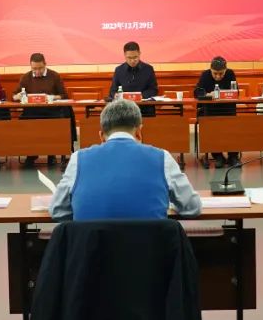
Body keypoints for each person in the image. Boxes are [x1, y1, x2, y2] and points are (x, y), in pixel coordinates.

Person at [50, 99, 201, 221]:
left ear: (101, 136)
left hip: (91, 249)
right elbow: (193, 207)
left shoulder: (78, 159)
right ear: (139, 132)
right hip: (149, 249)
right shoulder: (163, 158)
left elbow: (57, 210)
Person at [12, 53, 72, 168]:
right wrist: (17, 96)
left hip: (51, 111)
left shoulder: (54, 76)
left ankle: (51, 154)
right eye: (34, 69)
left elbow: (64, 95)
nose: (37, 71)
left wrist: (52, 97)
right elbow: (14, 95)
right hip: (31, 112)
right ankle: (31, 155)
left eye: (40, 68)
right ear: (30, 66)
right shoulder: (26, 77)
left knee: (55, 123)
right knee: (25, 123)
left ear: (45, 64)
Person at [194, 56, 240, 168]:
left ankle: (233, 156)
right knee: (211, 126)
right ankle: (218, 156)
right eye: (215, 73)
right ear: (210, 70)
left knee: (233, 126)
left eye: (221, 73)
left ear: (225, 70)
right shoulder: (205, 75)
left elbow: (236, 92)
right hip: (210, 110)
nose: (218, 76)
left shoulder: (230, 73)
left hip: (227, 110)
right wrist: (207, 95)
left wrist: (222, 94)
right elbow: (197, 92)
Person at [107, 41, 159, 116]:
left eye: (135, 57)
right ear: (124, 55)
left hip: (144, 108)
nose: (132, 61)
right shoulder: (119, 70)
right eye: (129, 58)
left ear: (139, 54)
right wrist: (116, 95)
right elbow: (112, 91)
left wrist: (139, 96)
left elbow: (153, 89)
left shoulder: (148, 69)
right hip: (124, 109)